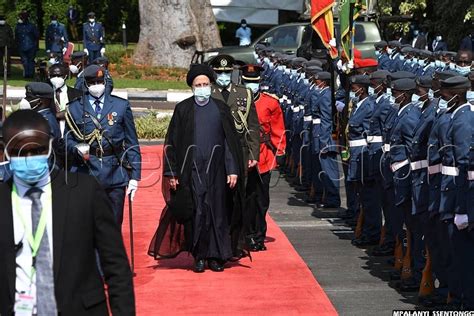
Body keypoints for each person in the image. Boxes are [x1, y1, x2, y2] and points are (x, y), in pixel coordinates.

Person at [0, 110, 135, 315]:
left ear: (50, 147)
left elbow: (115, 265)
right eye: (19, 152)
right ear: (6, 152)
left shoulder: (85, 191)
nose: (28, 158)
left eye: (37, 150)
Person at [148, 64, 246, 273]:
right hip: (191, 172)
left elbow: (230, 142)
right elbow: (172, 143)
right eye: (197, 85)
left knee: (217, 212)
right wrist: (171, 173)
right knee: (198, 212)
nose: (202, 88)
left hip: (218, 171)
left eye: (205, 84)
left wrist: (232, 169)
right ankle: (199, 256)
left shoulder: (221, 108)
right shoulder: (183, 109)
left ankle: (217, 256)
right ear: (191, 87)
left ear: (210, 85)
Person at [65, 65, 141, 228]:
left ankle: (110, 254)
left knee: (113, 223)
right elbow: (67, 140)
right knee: (85, 224)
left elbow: (131, 142)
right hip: (85, 171)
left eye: (100, 81)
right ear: (86, 84)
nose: (97, 85)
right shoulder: (74, 107)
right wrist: (76, 148)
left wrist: (135, 176)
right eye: (92, 82)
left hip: (114, 172)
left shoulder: (121, 105)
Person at [240, 64, 286, 251]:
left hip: (263, 156)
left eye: (255, 82)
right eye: (248, 82)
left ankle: (258, 236)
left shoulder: (270, 102)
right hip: (242, 154)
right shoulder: (236, 101)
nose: (251, 85)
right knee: (243, 198)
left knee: (260, 200)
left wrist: (280, 151)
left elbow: (278, 129)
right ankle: (243, 235)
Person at [210, 54, 260, 179]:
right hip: (215, 149)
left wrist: (253, 153)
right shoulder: (209, 93)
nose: (223, 76)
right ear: (214, 73)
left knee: (239, 192)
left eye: (227, 72)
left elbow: (252, 125)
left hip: (239, 149)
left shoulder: (244, 93)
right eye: (220, 72)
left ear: (232, 72)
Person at [48, 63, 82, 135]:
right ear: (49, 76)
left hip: (72, 133)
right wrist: (57, 115)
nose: (56, 78)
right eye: (53, 76)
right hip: (51, 133)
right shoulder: (44, 95)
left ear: (65, 76)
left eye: (59, 75)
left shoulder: (78, 94)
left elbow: (81, 112)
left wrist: (67, 113)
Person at [15, 11, 39, 78]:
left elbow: (36, 35)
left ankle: (30, 74)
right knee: (25, 61)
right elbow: (16, 36)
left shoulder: (32, 26)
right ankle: (27, 73)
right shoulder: (18, 26)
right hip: (22, 46)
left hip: (31, 46)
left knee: (30, 61)